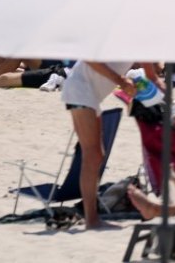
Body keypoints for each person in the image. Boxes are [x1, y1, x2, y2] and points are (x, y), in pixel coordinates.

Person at [62, 61, 161, 229]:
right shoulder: (113, 37)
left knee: (96, 154)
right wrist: (120, 80)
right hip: (80, 89)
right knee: (92, 155)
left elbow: (154, 73)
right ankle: (91, 219)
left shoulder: (140, 41)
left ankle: (91, 216)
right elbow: (89, 58)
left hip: (88, 93)